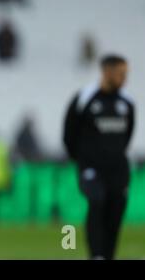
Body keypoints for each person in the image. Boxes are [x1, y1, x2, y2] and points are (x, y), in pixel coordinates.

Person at [63, 54, 135, 260]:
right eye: (121, 73)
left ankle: (108, 255)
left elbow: (128, 134)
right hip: (91, 168)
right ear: (107, 72)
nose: (124, 78)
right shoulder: (85, 98)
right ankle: (97, 255)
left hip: (118, 170)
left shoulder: (127, 102)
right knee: (97, 201)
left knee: (115, 211)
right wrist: (82, 161)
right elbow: (69, 134)